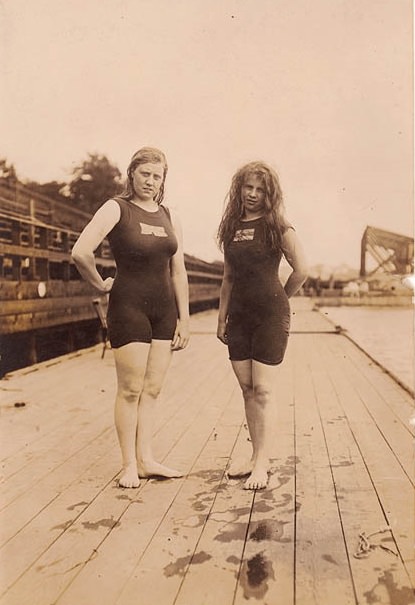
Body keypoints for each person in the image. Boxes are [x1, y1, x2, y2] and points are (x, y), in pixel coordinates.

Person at [72, 147, 190, 488]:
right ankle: (127, 465)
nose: (151, 182)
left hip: (164, 312)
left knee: (152, 389)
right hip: (128, 307)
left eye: (158, 176)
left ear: (163, 180)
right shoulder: (116, 208)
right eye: (145, 175)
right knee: (130, 389)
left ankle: (147, 459)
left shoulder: (170, 215)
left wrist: (184, 319)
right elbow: (81, 251)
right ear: (132, 175)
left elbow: (178, 271)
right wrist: (100, 283)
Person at [216, 161, 307, 490]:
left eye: (259, 189)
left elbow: (302, 269)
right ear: (239, 188)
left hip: (270, 315)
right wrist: (221, 315)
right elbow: (227, 278)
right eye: (247, 187)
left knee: (264, 390)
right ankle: (255, 456)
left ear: (270, 193)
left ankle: (263, 463)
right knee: (247, 389)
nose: (252, 194)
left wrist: (280, 298)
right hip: (239, 316)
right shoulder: (231, 227)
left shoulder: (277, 225)